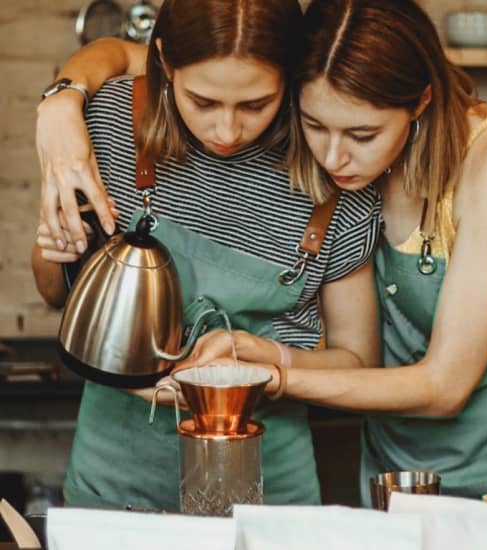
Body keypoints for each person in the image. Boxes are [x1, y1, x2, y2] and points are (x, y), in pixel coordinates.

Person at [177, 0, 487, 512]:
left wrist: (277, 377)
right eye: (314, 125)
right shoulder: (354, 171)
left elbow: (445, 387)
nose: (333, 157)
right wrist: (62, 102)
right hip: (392, 469)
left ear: (419, 102)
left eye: (363, 134)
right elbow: (152, 56)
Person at [32, 0, 382, 510]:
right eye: (203, 102)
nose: (226, 132)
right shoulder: (112, 121)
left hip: (269, 498)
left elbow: (358, 362)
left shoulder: (335, 172)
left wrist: (265, 368)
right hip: (114, 487)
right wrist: (55, 250)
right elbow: (52, 293)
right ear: (166, 64)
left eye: (255, 105)